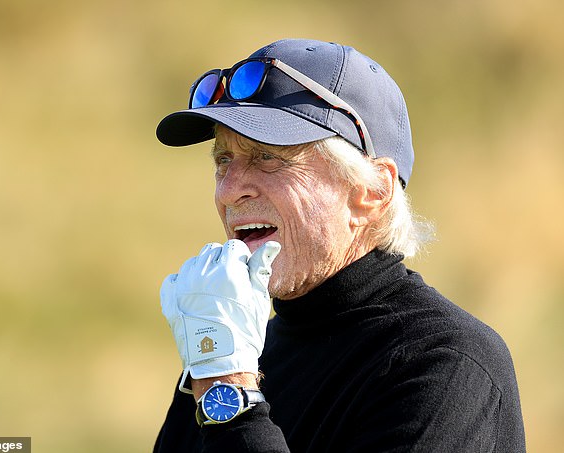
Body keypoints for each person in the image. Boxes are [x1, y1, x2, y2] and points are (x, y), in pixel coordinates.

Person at [153, 38, 525, 452]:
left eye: (267, 157)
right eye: (223, 160)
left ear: (371, 192)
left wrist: (229, 394)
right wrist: (221, 371)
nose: (229, 191)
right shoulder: (237, 349)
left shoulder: (446, 363)